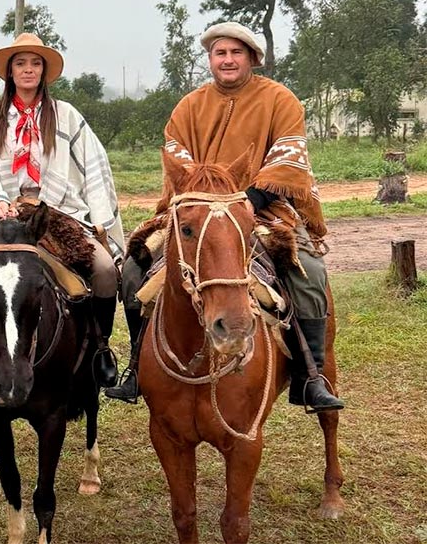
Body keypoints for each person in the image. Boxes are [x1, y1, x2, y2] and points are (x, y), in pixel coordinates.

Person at [106, 22, 345, 413]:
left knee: (311, 274)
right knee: (134, 270)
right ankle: (136, 366)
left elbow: (288, 159)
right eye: (221, 53)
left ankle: (310, 375)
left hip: (264, 208)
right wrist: (207, 199)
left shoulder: (280, 100)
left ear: (252, 58)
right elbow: (177, 157)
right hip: (197, 210)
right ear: (211, 59)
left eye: (237, 52)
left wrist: (248, 198)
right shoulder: (189, 106)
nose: (228, 60)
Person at [0, 33, 124, 387]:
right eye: (21, 63)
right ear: (10, 71)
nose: (28, 69)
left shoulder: (65, 115)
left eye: (35, 63)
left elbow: (94, 166)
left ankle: (101, 348)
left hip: (55, 211)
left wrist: (98, 220)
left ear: (45, 71)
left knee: (105, 269)